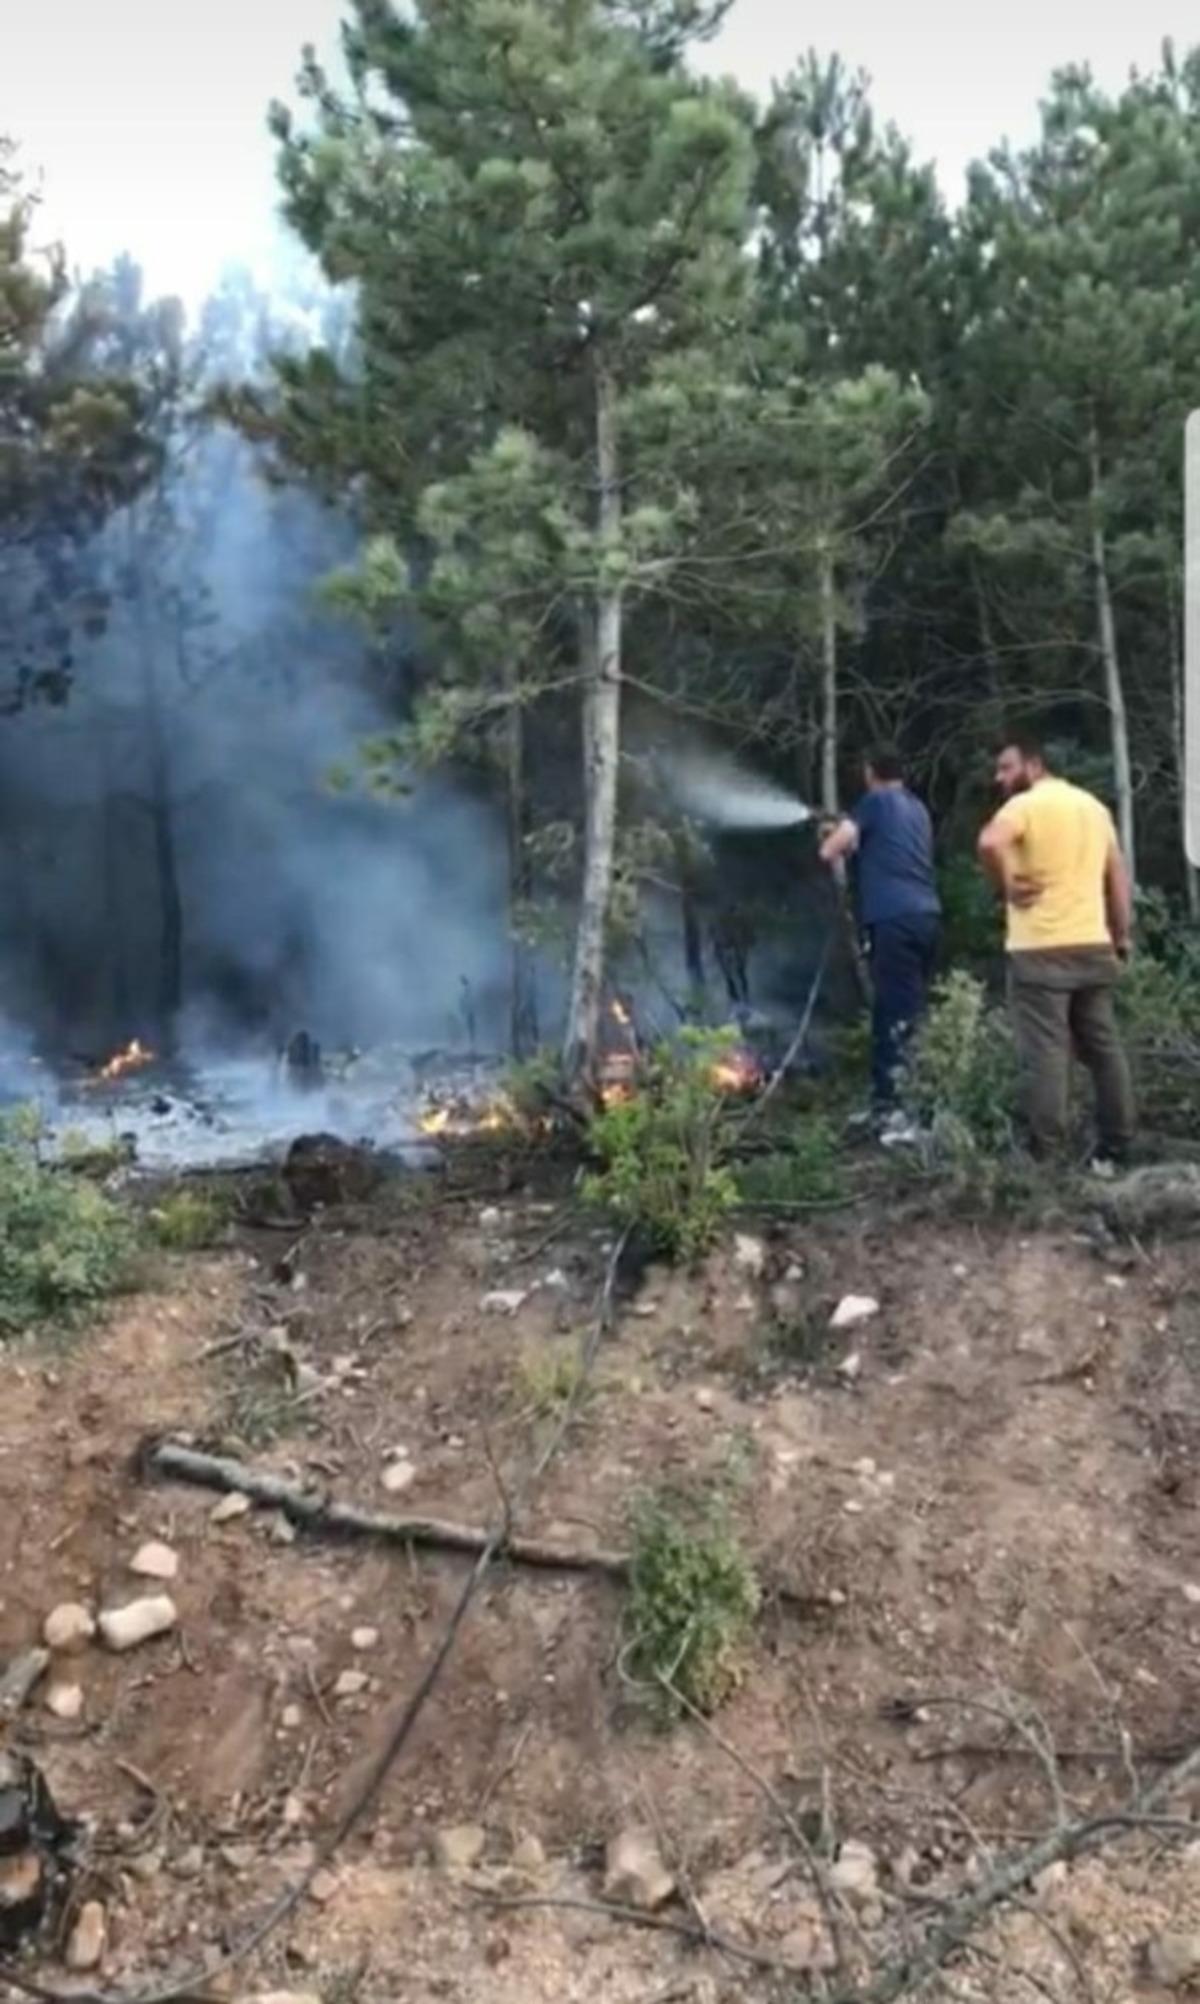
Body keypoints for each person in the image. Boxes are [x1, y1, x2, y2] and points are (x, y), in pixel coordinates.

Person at [977, 736, 1135, 1168]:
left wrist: (1005, 885)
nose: (1000, 778)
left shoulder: (1024, 807)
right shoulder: (1094, 809)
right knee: (1105, 1049)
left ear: (1034, 765)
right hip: (1093, 945)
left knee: (1045, 1054)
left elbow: (990, 842)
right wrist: (1120, 936)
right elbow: (1117, 881)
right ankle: (1118, 1146)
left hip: (1040, 951)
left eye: (1007, 768)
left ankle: (1048, 1157)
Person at [820, 746, 941, 1128]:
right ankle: (888, 1101)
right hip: (926, 916)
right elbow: (888, 850)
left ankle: (903, 1110)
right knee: (909, 1008)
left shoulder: (875, 802)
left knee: (894, 1013)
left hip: (894, 919)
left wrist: (835, 834)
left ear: (871, 773)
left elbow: (830, 851)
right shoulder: (917, 808)